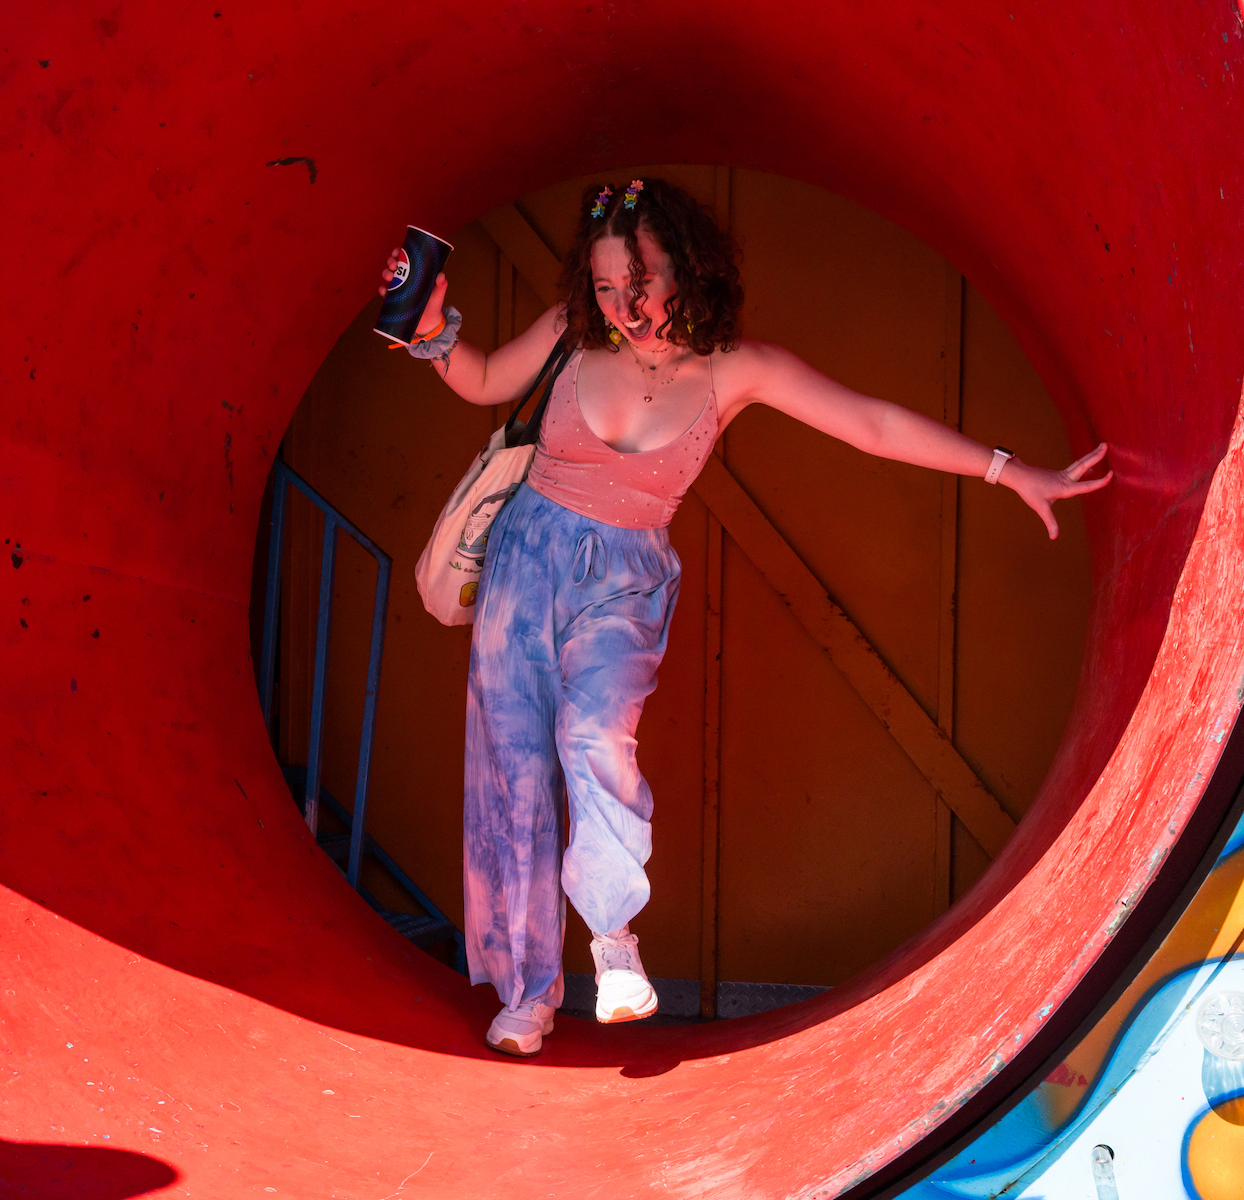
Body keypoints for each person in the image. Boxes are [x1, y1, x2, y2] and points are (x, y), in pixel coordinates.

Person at [379, 177, 1111, 1057]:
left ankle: (613, 940)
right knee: (515, 773)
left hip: (624, 579)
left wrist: (1007, 470)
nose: (625, 306)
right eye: (608, 287)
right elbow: (488, 379)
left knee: (594, 742)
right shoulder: (573, 331)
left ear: (687, 270)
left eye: (642, 283)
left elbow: (871, 423)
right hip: (522, 563)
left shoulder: (737, 369)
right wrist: (431, 335)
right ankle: (529, 992)